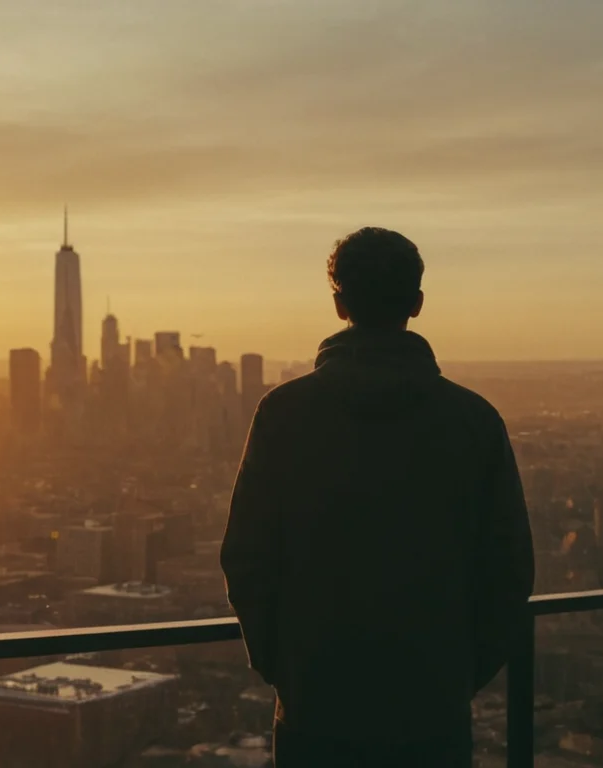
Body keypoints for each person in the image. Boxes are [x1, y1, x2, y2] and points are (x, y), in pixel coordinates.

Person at [220, 227, 535, 767]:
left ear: (338, 303)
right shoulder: (473, 420)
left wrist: (290, 670)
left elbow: (246, 559)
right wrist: (455, 677)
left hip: (316, 709)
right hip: (431, 710)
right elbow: (509, 572)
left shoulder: (283, 414)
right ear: (417, 303)